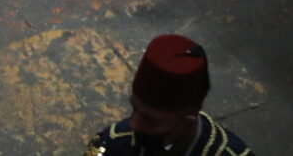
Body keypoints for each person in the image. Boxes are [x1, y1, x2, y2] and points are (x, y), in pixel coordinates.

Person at [88, 35, 252, 154]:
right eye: (134, 109)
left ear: (188, 122)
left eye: (150, 120)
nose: (134, 125)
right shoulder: (111, 142)